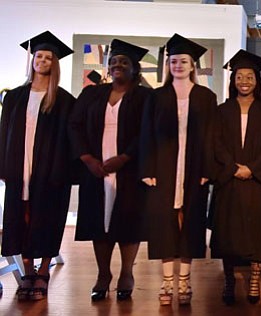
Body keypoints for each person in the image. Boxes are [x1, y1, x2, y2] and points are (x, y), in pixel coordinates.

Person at [69, 39, 151, 301]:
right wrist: (86, 158)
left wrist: (126, 156)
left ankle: (127, 273)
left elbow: (148, 132)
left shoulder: (145, 97)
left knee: (128, 221)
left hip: (129, 168)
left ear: (135, 69)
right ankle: (103, 274)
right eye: (113, 61)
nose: (118, 65)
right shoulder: (92, 94)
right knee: (98, 222)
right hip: (96, 167)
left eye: (124, 62)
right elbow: (75, 125)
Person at [139, 33, 217, 306]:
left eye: (183, 61)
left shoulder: (207, 96)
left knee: (191, 222)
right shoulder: (156, 96)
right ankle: (167, 281)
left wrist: (208, 168)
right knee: (164, 224)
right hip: (162, 167)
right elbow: (146, 134)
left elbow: (211, 136)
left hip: (194, 168)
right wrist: (147, 168)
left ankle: (184, 280)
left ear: (193, 65)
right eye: (174, 61)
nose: (178, 65)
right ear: (168, 65)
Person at [0, 31, 76, 301]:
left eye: (48, 57)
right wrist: (4, 168)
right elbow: (4, 133)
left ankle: (44, 271)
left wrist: (64, 171)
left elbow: (71, 140)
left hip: (51, 172)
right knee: (22, 220)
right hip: (19, 168)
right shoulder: (14, 97)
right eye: (38, 56)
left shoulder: (65, 100)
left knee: (48, 219)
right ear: (32, 60)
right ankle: (28, 271)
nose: (42, 60)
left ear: (54, 64)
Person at [210, 50, 261, 306]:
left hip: (257, 180)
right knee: (227, 233)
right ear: (233, 80)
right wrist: (233, 167)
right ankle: (229, 278)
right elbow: (216, 143)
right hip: (230, 178)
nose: (244, 81)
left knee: (257, 231)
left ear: (256, 81)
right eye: (239, 76)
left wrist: (252, 169)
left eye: (249, 76)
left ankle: (255, 278)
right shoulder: (221, 110)